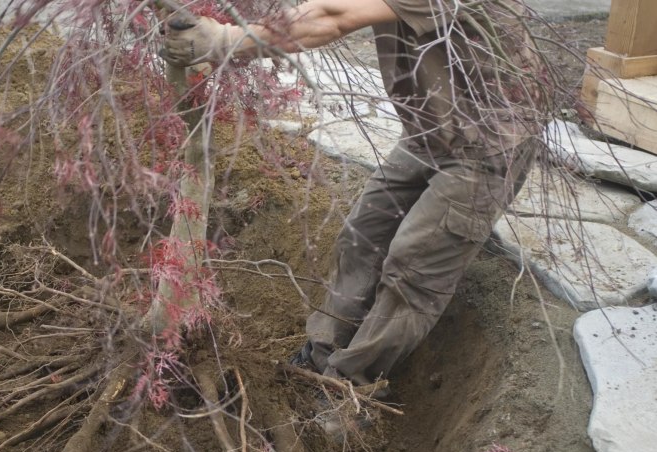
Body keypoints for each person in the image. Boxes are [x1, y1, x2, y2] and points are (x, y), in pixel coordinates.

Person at [161, 0, 546, 388]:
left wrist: (228, 39)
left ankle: (349, 389)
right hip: (429, 132)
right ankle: (319, 357)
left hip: (488, 145)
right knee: (361, 237)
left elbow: (333, 16)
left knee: (411, 267)